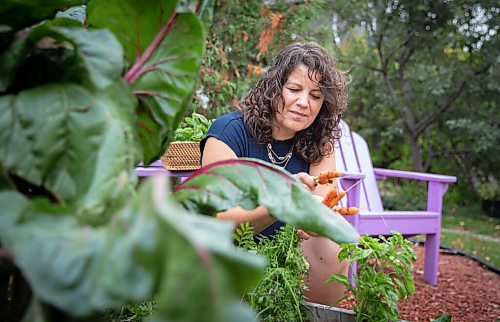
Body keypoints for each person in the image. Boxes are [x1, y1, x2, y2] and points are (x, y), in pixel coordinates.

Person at [200, 42, 349, 305]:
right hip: (230, 251)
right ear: (274, 88)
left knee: (333, 245)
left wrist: (315, 213)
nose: (303, 103)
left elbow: (323, 202)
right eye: (294, 89)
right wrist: (280, 204)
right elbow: (219, 219)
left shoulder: (319, 142)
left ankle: (314, 314)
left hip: (289, 256)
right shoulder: (229, 132)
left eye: (315, 96)